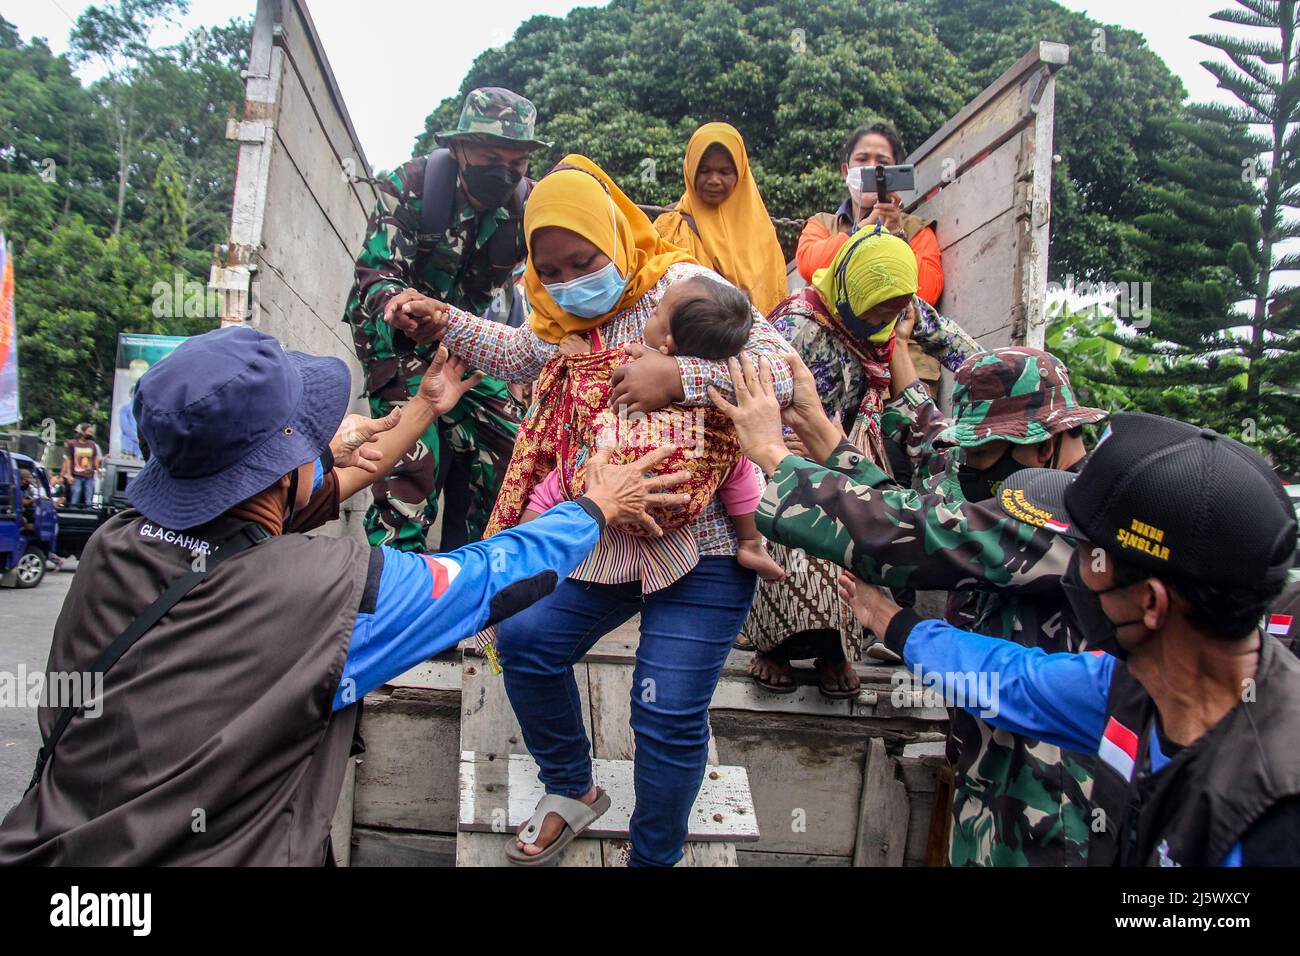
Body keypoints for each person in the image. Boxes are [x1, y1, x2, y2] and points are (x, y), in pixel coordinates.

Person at [0, 326, 686, 865]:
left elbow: (295, 496)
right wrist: (595, 507)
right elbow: (489, 576)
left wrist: (416, 407)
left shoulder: (112, 544)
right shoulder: (328, 593)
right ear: (278, 469)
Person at [390, 154, 796, 866]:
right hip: (604, 526)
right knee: (524, 641)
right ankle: (571, 787)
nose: (572, 282)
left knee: (666, 711)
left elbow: (782, 370)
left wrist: (678, 374)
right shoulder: (553, 308)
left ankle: (654, 855)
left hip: (702, 541)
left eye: (585, 261)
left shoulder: (678, 285)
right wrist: (445, 322)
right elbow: (520, 354)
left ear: (613, 231)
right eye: (551, 270)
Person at [710, 344, 1111, 867]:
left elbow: (924, 533)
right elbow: (931, 510)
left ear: (1045, 447)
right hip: (999, 772)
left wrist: (773, 456)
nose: (967, 467)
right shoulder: (1034, 496)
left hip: (1052, 808)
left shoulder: (1070, 515)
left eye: (983, 455)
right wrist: (821, 432)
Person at [841, 412, 1300, 866]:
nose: (1074, 576)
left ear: (1151, 604)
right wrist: (893, 623)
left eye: (1085, 558)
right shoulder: (1132, 687)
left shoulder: (1270, 812)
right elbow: (1011, 680)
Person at [741, 227, 977, 699]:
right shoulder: (796, 325)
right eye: (876, 310)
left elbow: (965, 354)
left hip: (849, 444)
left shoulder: (900, 306)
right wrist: (786, 444)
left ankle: (836, 649)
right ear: (850, 291)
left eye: (895, 310)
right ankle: (778, 647)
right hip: (791, 445)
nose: (887, 321)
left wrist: (1001, 394)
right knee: (796, 532)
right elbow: (759, 387)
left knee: (861, 535)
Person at [344, 87, 548, 553]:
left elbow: (550, 280)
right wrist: (403, 308)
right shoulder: (412, 184)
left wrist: (530, 360)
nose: (503, 169)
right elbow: (376, 273)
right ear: (458, 148)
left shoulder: (529, 208)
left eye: (516, 162)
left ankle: (483, 565)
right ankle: (396, 585)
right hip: (395, 339)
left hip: (463, 341)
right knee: (412, 460)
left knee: (517, 446)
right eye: (489, 155)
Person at [528, 274, 783, 583]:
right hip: (685, 498)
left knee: (561, 477)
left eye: (654, 313)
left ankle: (527, 542)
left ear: (667, 343)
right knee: (736, 459)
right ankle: (751, 543)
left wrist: (585, 361)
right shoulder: (716, 382)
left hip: (616, 489)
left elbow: (596, 399)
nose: (649, 313)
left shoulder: (632, 362)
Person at [797, 121, 952, 417]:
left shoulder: (917, 231)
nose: (871, 169)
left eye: (882, 163)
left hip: (902, 373)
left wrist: (895, 237)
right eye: (862, 160)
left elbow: (926, 291)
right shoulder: (822, 224)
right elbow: (809, 263)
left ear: (896, 173)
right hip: (836, 369)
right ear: (846, 171)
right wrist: (864, 231)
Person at [652, 122, 788, 315]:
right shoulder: (671, 227)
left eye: (725, 172)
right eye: (704, 170)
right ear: (690, 169)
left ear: (740, 174)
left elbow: (774, 298)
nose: (714, 180)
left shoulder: (763, 233)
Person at [62, 424, 101, 507]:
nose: (91, 433)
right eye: (89, 431)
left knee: (89, 497)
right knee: (76, 493)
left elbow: (95, 457)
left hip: (89, 475)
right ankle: (73, 514)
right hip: (76, 475)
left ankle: (88, 515)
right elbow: (68, 459)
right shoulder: (72, 443)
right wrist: (68, 475)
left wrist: (97, 470)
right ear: (82, 432)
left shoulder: (92, 444)